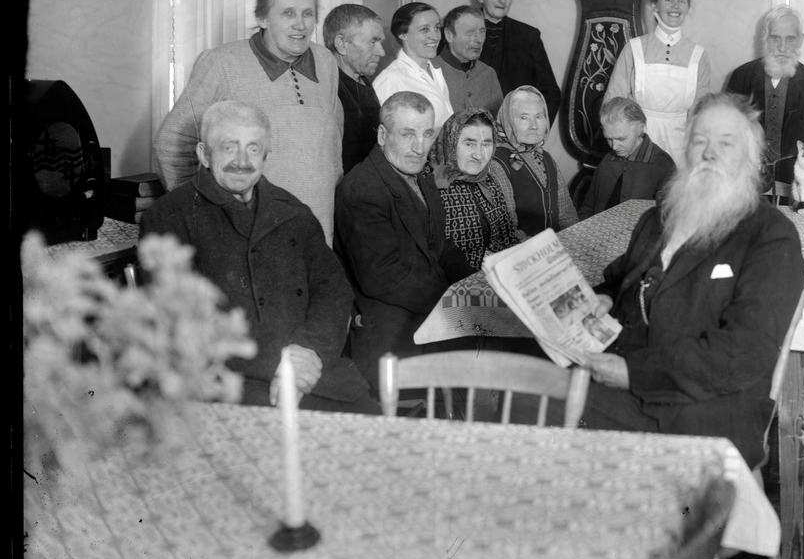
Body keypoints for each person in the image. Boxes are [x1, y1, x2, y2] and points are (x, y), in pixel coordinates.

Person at [580, 92, 804, 468]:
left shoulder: (770, 236)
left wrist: (635, 374)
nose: (709, 154)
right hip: (622, 389)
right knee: (533, 416)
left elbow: (743, 352)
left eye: (726, 143)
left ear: (752, 159)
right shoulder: (658, 219)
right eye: (700, 141)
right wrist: (603, 298)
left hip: (705, 410)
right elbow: (619, 280)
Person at [141, 101, 373, 413]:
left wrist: (309, 354)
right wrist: (280, 361)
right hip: (223, 383)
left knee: (379, 430)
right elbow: (182, 318)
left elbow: (333, 292)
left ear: (267, 156)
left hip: (312, 374)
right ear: (204, 154)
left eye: (253, 148)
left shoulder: (294, 213)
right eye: (228, 146)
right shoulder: (168, 217)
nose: (242, 161)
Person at [153, 0, 343, 245]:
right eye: (288, 13)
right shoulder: (222, 63)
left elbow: (332, 144)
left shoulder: (325, 62)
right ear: (263, 18)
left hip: (318, 229)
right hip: (248, 234)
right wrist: (201, 209)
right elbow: (171, 143)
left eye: (308, 13)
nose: (300, 24)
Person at [334, 91, 473, 390]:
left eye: (427, 134)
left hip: (426, 310)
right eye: (408, 134)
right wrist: (456, 302)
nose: (420, 147)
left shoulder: (420, 175)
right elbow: (383, 276)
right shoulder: (361, 189)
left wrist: (476, 284)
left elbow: (442, 246)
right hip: (391, 330)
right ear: (383, 135)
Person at [726, 4, 804, 204]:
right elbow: (726, 135)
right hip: (747, 189)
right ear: (764, 37)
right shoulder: (742, 77)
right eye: (775, 38)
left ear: (800, 39)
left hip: (797, 189)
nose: (783, 47)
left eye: (790, 39)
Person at [603, 0, 713, 167]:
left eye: (682, 1)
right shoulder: (634, 48)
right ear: (654, 6)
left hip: (681, 142)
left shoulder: (699, 55)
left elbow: (700, 111)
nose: (675, 5)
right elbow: (613, 101)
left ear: (688, 8)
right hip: (639, 138)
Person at [429, 108, 521, 272]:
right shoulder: (430, 185)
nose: (479, 155)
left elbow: (507, 236)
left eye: (486, 144)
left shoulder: (488, 179)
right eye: (469, 144)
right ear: (450, 142)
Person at [473, 0, 562, 126]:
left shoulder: (528, 36)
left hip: (514, 132)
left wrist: (535, 130)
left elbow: (551, 92)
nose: (503, 0)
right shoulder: (461, 30)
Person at [492, 86, 579, 236]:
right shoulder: (498, 163)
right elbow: (507, 229)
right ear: (507, 121)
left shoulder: (546, 158)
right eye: (524, 117)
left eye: (539, 116)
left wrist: (575, 239)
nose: (533, 126)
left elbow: (567, 214)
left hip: (556, 244)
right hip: (524, 248)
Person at [577, 97, 676, 220]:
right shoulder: (607, 161)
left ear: (639, 128)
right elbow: (588, 209)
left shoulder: (663, 165)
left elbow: (666, 221)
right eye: (609, 139)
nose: (614, 146)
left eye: (621, 139)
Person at [372, 3, 454, 136]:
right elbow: (382, 135)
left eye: (437, 27)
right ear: (403, 34)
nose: (435, 36)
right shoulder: (390, 79)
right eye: (425, 29)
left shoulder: (434, 70)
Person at [323, 3, 385, 174]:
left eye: (380, 42)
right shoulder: (328, 90)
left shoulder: (363, 80)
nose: (381, 52)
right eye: (373, 41)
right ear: (342, 44)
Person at [438, 6, 505, 117]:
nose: (479, 39)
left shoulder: (488, 73)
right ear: (449, 35)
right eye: (470, 32)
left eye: (482, 32)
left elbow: (498, 121)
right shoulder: (429, 70)